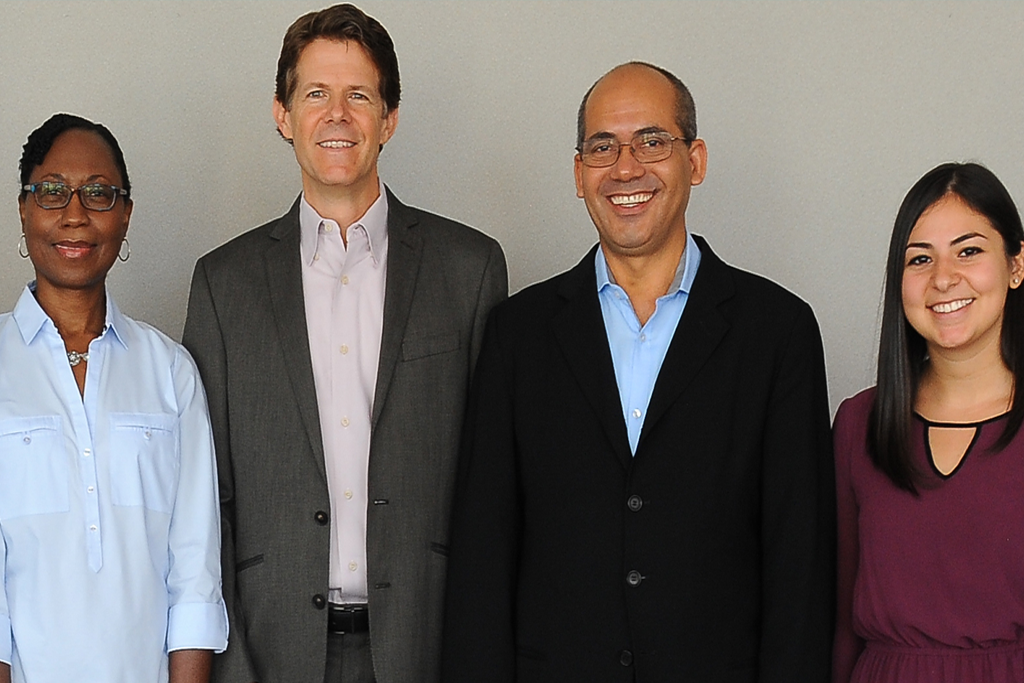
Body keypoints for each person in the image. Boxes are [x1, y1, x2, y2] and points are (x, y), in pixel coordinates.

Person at [441, 61, 835, 682]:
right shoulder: (519, 333)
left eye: (652, 141)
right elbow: (483, 559)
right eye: (603, 147)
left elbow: (801, 567)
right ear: (578, 174)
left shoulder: (777, 332)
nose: (626, 168)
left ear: (696, 161)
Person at [181, 4, 507, 683]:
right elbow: (203, 496)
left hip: (427, 641)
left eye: (359, 94)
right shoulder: (223, 283)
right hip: (270, 649)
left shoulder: (469, 268)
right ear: (283, 113)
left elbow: (493, 488)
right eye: (316, 94)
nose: (337, 114)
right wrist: (232, 664)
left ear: (388, 118)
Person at [0, 114, 227, 683]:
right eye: (52, 191)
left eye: (99, 194)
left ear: (125, 214)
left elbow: (194, 568)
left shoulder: (170, 372)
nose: (75, 214)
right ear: (23, 209)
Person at [832, 163, 1024, 682]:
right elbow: (839, 624)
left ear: (1015, 264)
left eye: (969, 251)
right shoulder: (857, 424)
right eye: (920, 259)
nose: (943, 278)